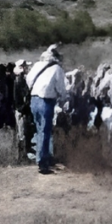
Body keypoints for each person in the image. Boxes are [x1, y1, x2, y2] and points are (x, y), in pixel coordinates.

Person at [26, 44, 66, 175]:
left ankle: (43, 157)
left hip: (34, 99)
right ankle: (42, 162)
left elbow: (29, 79)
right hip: (46, 100)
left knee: (39, 131)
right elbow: (61, 88)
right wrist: (62, 98)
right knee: (45, 131)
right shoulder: (57, 68)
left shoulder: (37, 65)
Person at [13, 59, 34, 162]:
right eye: (25, 66)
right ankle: (21, 156)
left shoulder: (19, 79)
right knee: (22, 134)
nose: (27, 68)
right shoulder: (20, 80)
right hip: (21, 110)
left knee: (21, 133)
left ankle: (22, 156)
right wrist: (23, 108)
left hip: (20, 110)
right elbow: (22, 96)